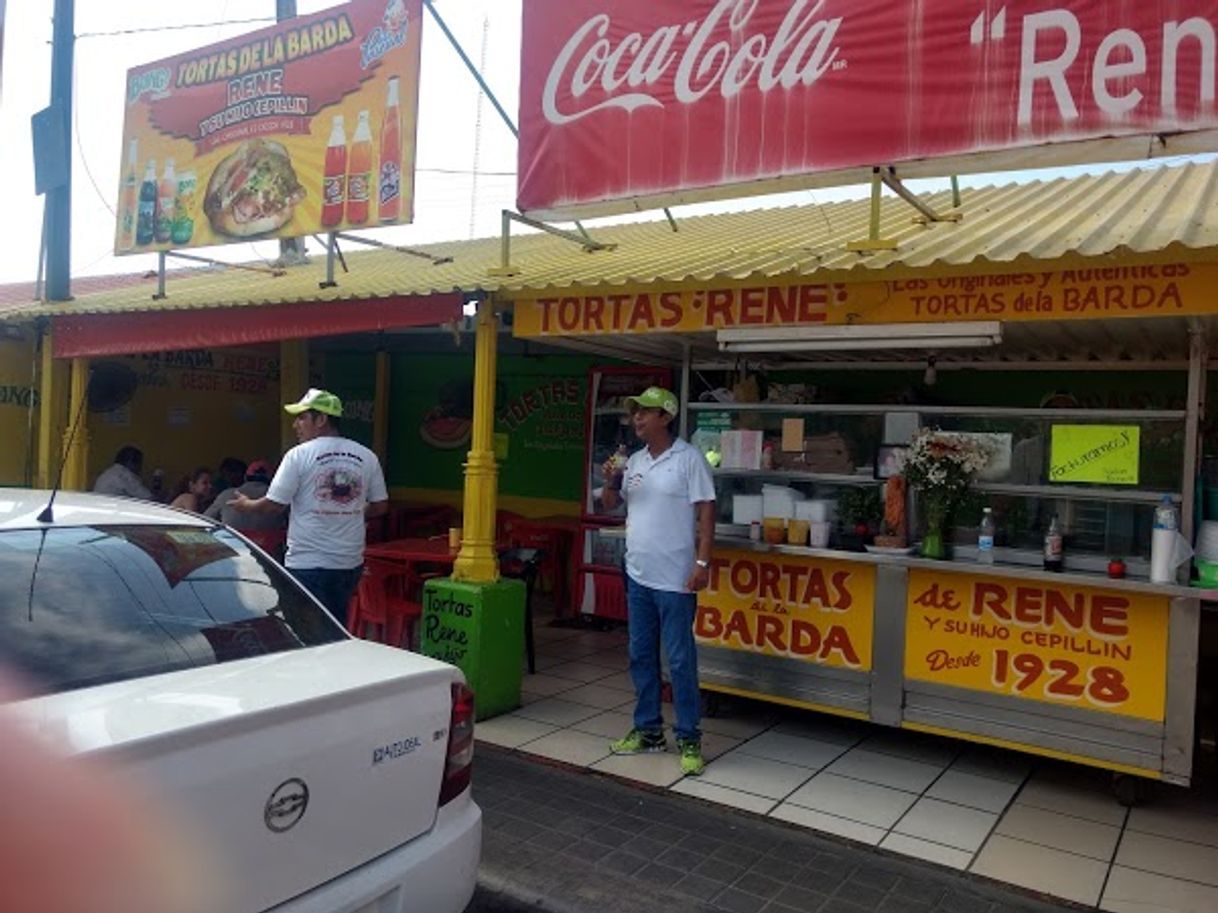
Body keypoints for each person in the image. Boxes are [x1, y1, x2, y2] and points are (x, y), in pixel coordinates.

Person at [602, 386, 716, 776]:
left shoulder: (689, 459)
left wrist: (702, 562)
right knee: (640, 654)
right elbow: (611, 505)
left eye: (645, 412)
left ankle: (688, 736)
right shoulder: (633, 461)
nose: (637, 418)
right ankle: (649, 730)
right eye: (635, 413)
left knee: (681, 660)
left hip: (677, 579)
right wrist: (610, 482)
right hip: (638, 575)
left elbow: (705, 513)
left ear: (665, 417)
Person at [229, 389, 388, 624]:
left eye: (302, 417)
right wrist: (351, 512)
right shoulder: (367, 456)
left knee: (307, 630)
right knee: (335, 623)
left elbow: (274, 506)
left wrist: (247, 505)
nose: (296, 425)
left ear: (321, 420)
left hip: (309, 563)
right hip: (349, 562)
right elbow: (381, 506)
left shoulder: (298, 455)